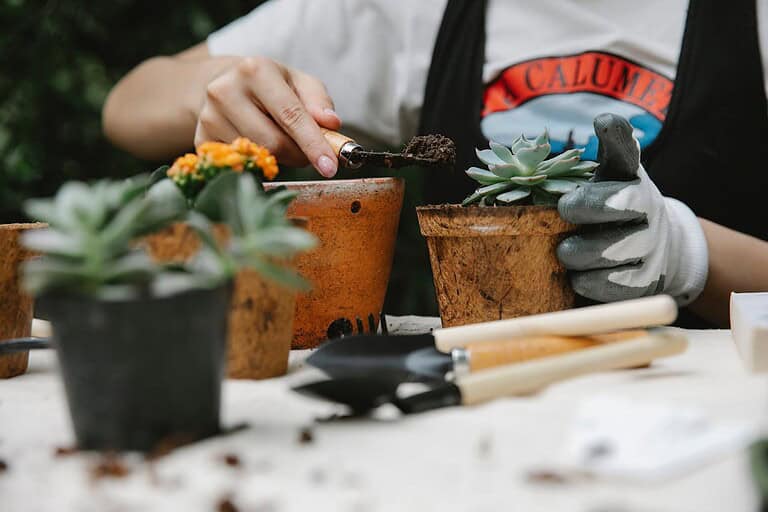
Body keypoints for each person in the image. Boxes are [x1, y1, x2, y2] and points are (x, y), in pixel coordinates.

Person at [103, 0, 768, 327]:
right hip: (470, 423)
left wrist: (687, 252)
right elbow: (131, 104)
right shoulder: (415, 10)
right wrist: (221, 88)